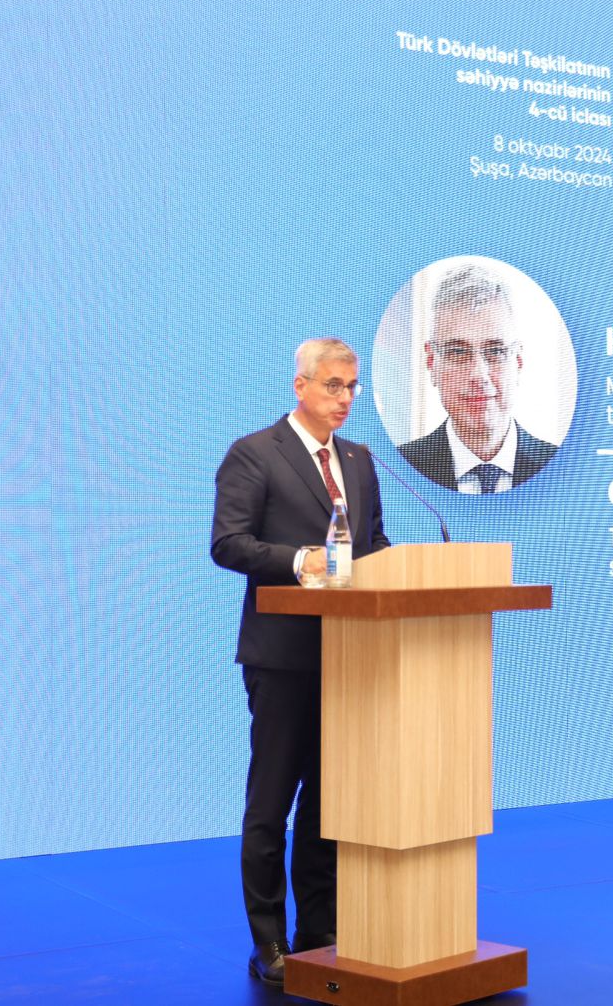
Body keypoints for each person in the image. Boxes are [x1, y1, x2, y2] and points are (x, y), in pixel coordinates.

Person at [210, 337, 390, 986]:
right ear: (300, 385)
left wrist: (396, 571)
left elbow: (373, 547)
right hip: (284, 656)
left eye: (352, 388)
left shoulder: (362, 461)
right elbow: (228, 544)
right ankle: (270, 944)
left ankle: (321, 930)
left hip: (349, 655)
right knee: (272, 803)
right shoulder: (255, 454)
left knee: (329, 803)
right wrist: (298, 560)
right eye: (333, 386)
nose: (344, 399)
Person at [398, 264, 558, 493]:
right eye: (457, 351)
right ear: (432, 362)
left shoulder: (564, 467)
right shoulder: (396, 470)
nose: (478, 374)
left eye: (496, 351)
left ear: (518, 361)